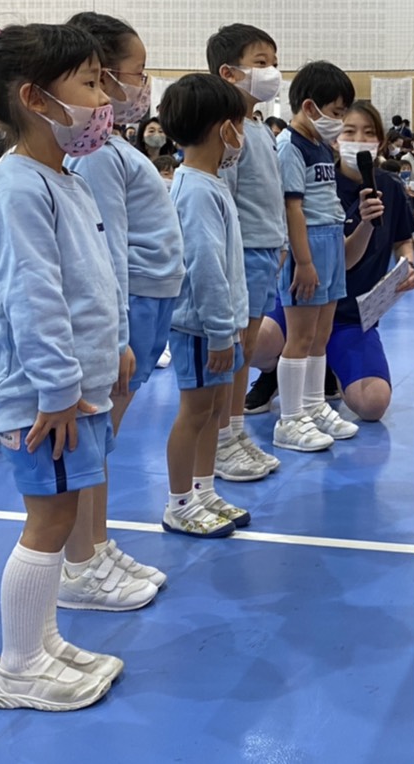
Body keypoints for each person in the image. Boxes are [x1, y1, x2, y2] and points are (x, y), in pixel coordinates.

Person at [0, 20, 145, 712]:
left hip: (73, 389)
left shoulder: (62, 178)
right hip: (43, 398)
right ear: (35, 97)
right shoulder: (18, 186)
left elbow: (93, 278)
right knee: (48, 522)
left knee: (59, 518)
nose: (102, 98)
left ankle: (45, 640)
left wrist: (114, 343)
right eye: (88, 83)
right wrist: (57, 391)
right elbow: (34, 298)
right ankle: (17, 667)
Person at [62, 11, 181, 591]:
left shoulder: (115, 146)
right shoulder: (96, 155)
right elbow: (102, 246)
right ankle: (79, 560)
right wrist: (117, 335)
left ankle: (98, 543)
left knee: (104, 440)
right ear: (103, 77)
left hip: (150, 299)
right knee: (94, 442)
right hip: (127, 302)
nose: (144, 84)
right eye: (137, 72)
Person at [251, 103, 406, 421]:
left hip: (353, 315)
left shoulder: (390, 188)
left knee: (374, 404)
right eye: (349, 130)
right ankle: (279, 369)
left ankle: (325, 369)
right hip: (305, 298)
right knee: (254, 343)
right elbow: (339, 256)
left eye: (369, 132)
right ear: (334, 138)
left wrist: (408, 265)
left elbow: (403, 239)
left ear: (381, 141)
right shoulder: (320, 182)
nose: (359, 139)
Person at [159, 73, 251, 537]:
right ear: (223, 129)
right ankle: (179, 502)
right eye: (240, 122)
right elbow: (204, 266)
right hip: (200, 327)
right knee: (194, 412)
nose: (244, 133)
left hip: (220, 325)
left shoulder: (212, 184)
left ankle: (204, 489)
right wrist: (220, 329)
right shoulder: (193, 190)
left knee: (214, 411)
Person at [209, 22, 288, 479]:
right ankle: (221, 439)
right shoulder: (227, 131)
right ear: (230, 73)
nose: (272, 72)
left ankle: (237, 431)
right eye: (261, 63)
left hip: (263, 253)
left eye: (274, 63)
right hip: (241, 255)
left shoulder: (258, 128)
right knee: (235, 349)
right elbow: (225, 202)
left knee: (247, 347)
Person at [272, 61, 359, 452]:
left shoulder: (322, 144)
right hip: (306, 244)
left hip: (330, 239)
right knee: (301, 335)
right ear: (310, 107)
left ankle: (313, 406)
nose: (339, 121)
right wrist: (303, 262)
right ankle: (289, 419)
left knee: (321, 334)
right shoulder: (289, 146)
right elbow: (292, 207)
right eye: (337, 112)